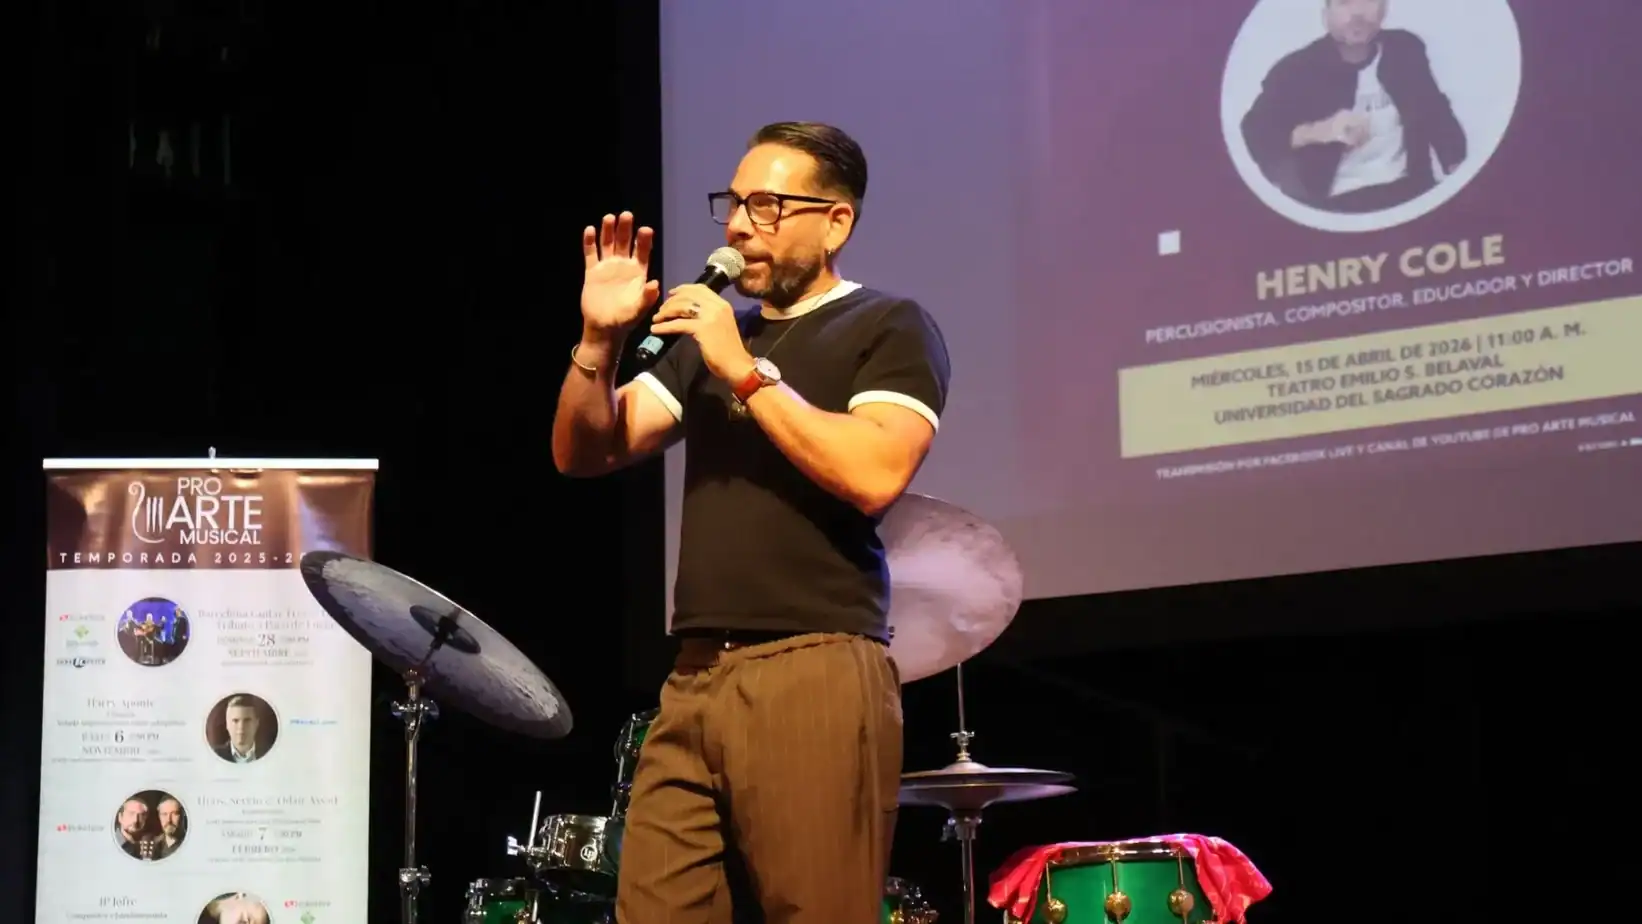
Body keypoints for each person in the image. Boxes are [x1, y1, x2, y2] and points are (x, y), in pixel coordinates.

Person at [551, 121, 951, 923]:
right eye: (733, 204)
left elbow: (873, 473)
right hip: (695, 676)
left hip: (814, 666)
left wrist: (742, 368)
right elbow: (585, 450)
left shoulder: (887, 326)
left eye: (765, 206)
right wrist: (599, 341)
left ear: (835, 223)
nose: (737, 227)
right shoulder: (710, 339)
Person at [1240, 0, 1467, 213]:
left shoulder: (1405, 48)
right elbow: (1256, 134)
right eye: (1344, 2)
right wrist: (1321, 131)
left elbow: (1436, 110)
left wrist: (1459, 171)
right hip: (1337, 207)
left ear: (1384, 9)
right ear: (1326, 15)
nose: (1357, 13)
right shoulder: (1294, 70)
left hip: (1412, 191)